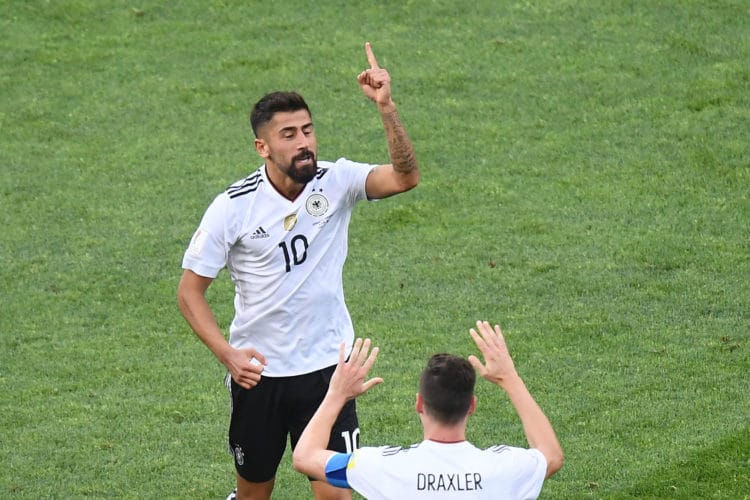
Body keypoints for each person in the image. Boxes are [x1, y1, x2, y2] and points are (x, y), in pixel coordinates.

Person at [177, 42, 419, 500]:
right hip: (260, 375)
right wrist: (227, 354)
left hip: (329, 371)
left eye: (308, 130)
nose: (304, 141)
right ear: (262, 146)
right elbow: (190, 293)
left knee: (337, 495)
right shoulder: (232, 208)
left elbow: (405, 176)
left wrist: (386, 108)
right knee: (254, 495)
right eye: (289, 134)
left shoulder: (338, 179)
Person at [293, 321, 564, 499]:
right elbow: (550, 455)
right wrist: (510, 379)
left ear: (419, 404)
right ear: (472, 407)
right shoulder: (504, 468)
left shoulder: (382, 467)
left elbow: (305, 457)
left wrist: (336, 394)